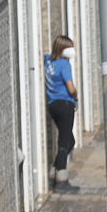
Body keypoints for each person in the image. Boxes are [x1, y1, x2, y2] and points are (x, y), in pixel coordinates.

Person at [44, 35, 78, 190]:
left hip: (52, 105)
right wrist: (75, 96)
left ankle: (54, 170)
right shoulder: (64, 65)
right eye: (70, 47)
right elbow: (70, 88)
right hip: (65, 104)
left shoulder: (48, 61)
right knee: (65, 141)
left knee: (70, 140)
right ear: (63, 49)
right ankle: (61, 179)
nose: (72, 51)